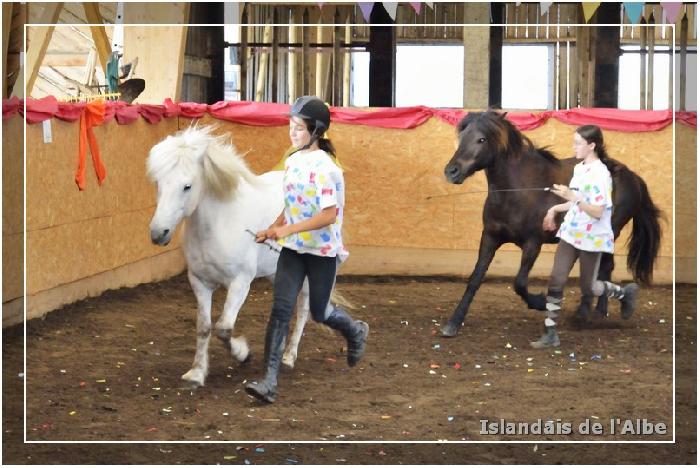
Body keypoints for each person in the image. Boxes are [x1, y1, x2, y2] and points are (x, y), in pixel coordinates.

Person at [245, 96, 369, 403]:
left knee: (319, 311)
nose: (292, 132)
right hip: (293, 250)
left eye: (298, 128)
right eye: (291, 126)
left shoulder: (327, 169)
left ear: (316, 130)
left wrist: (285, 230)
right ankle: (269, 382)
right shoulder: (293, 161)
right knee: (280, 310)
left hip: (322, 252)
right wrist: (273, 227)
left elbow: (329, 215)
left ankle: (354, 331)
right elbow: (292, 204)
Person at [531, 125, 639, 349]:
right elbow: (575, 201)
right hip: (571, 232)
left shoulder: (601, 174)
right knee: (556, 279)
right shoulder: (580, 169)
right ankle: (550, 333)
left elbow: (597, 211)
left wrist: (574, 198)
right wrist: (555, 209)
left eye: (578, 143)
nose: (574, 147)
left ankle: (624, 293)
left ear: (592, 145)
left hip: (592, 237)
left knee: (589, 287)